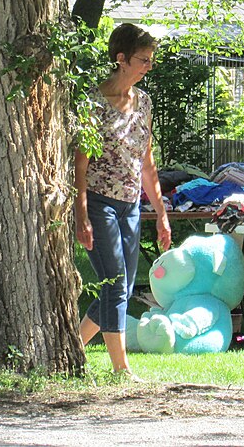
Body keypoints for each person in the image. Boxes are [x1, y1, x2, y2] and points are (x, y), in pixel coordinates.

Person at [75, 23, 172, 377]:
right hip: (99, 203)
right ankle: (121, 369)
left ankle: (72, 347)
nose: (149, 66)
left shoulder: (144, 102)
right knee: (114, 284)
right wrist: (81, 213)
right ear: (121, 59)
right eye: (143, 60)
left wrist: (160, 213)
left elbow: (147, 163)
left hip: (131, 205)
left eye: (150, 60)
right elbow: (80, 164)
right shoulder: (93, 102)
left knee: (124, 288)